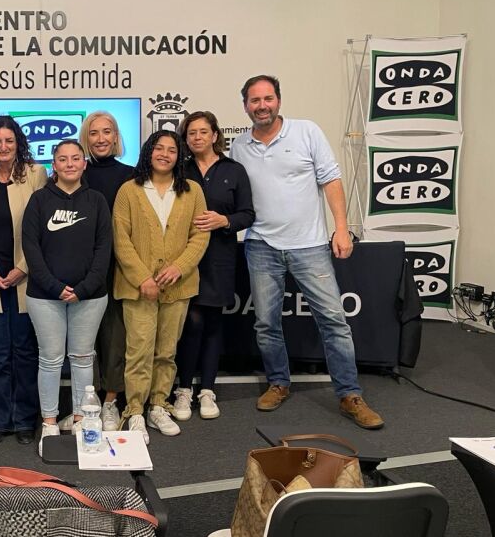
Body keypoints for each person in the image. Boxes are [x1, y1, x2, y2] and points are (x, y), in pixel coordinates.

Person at [230, 75, 384, 429]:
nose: (262, 105)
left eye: (268, 98)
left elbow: (330, 179)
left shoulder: (307, 132)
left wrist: (341, 228)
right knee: (266, 323)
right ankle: (278, 383)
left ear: (278, 100)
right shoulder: (239, 146)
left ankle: (349, 394)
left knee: (333, 321)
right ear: (245, 106)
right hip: (261, 246)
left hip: (310, 245)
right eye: (255, 100)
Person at [113, 131, 209, 444]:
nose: (164, 154)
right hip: (137, 287)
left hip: (178, 287)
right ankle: (136, 410)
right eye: (159, 148)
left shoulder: (192, 191)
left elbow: (199, 235)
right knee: (138, 351)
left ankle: (158, 405)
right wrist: (142, 277)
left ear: (178, 156)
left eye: (171, 150)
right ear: (148, 152)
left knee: (166, 352)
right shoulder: (129, 190)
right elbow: (121, 238)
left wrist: (178, 268)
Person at [22, 140, 112, 455]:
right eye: (63, 159)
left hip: (90, 296)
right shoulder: (38, 200)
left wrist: (84, 288)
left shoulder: (97, 201)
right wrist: (55, 287)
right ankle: (48, 421)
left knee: (83, 357)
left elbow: (104, 250)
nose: (70, 163)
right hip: (45, 296)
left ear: (84, 164)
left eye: (76, 158)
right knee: (50, 359)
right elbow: (31, 249)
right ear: (54, 165)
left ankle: (79, 418)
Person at [172, 112, 255, 422]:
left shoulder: (234, 171)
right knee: (189, 324)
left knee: (213, 324)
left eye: (203, 132)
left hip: (220, 256)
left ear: (215, 135)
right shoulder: (180, 169)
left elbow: (248, 214)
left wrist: (226, 221)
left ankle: (207, 389)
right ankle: (183, 389)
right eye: (191, 133)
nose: (196, 137)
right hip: (184, 258)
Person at [0, 115, 47, 448]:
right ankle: (0, 422)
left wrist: (22, 268)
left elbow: (43, 229)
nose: (3, 147)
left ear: (19, 143)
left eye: (9, 141)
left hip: (24, 280)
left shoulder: (35, 174)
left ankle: (25, 420)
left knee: (25, 352)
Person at [79, 111, 134, 431]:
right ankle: (86, 403)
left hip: (117, 267)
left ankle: (111, 401)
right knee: (83, 341)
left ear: (115, 138)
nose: (100, 138)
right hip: (80, 270)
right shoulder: (75, 172)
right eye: (94, 133)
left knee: (114, 337)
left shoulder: (131, 175)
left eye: (107, 132)